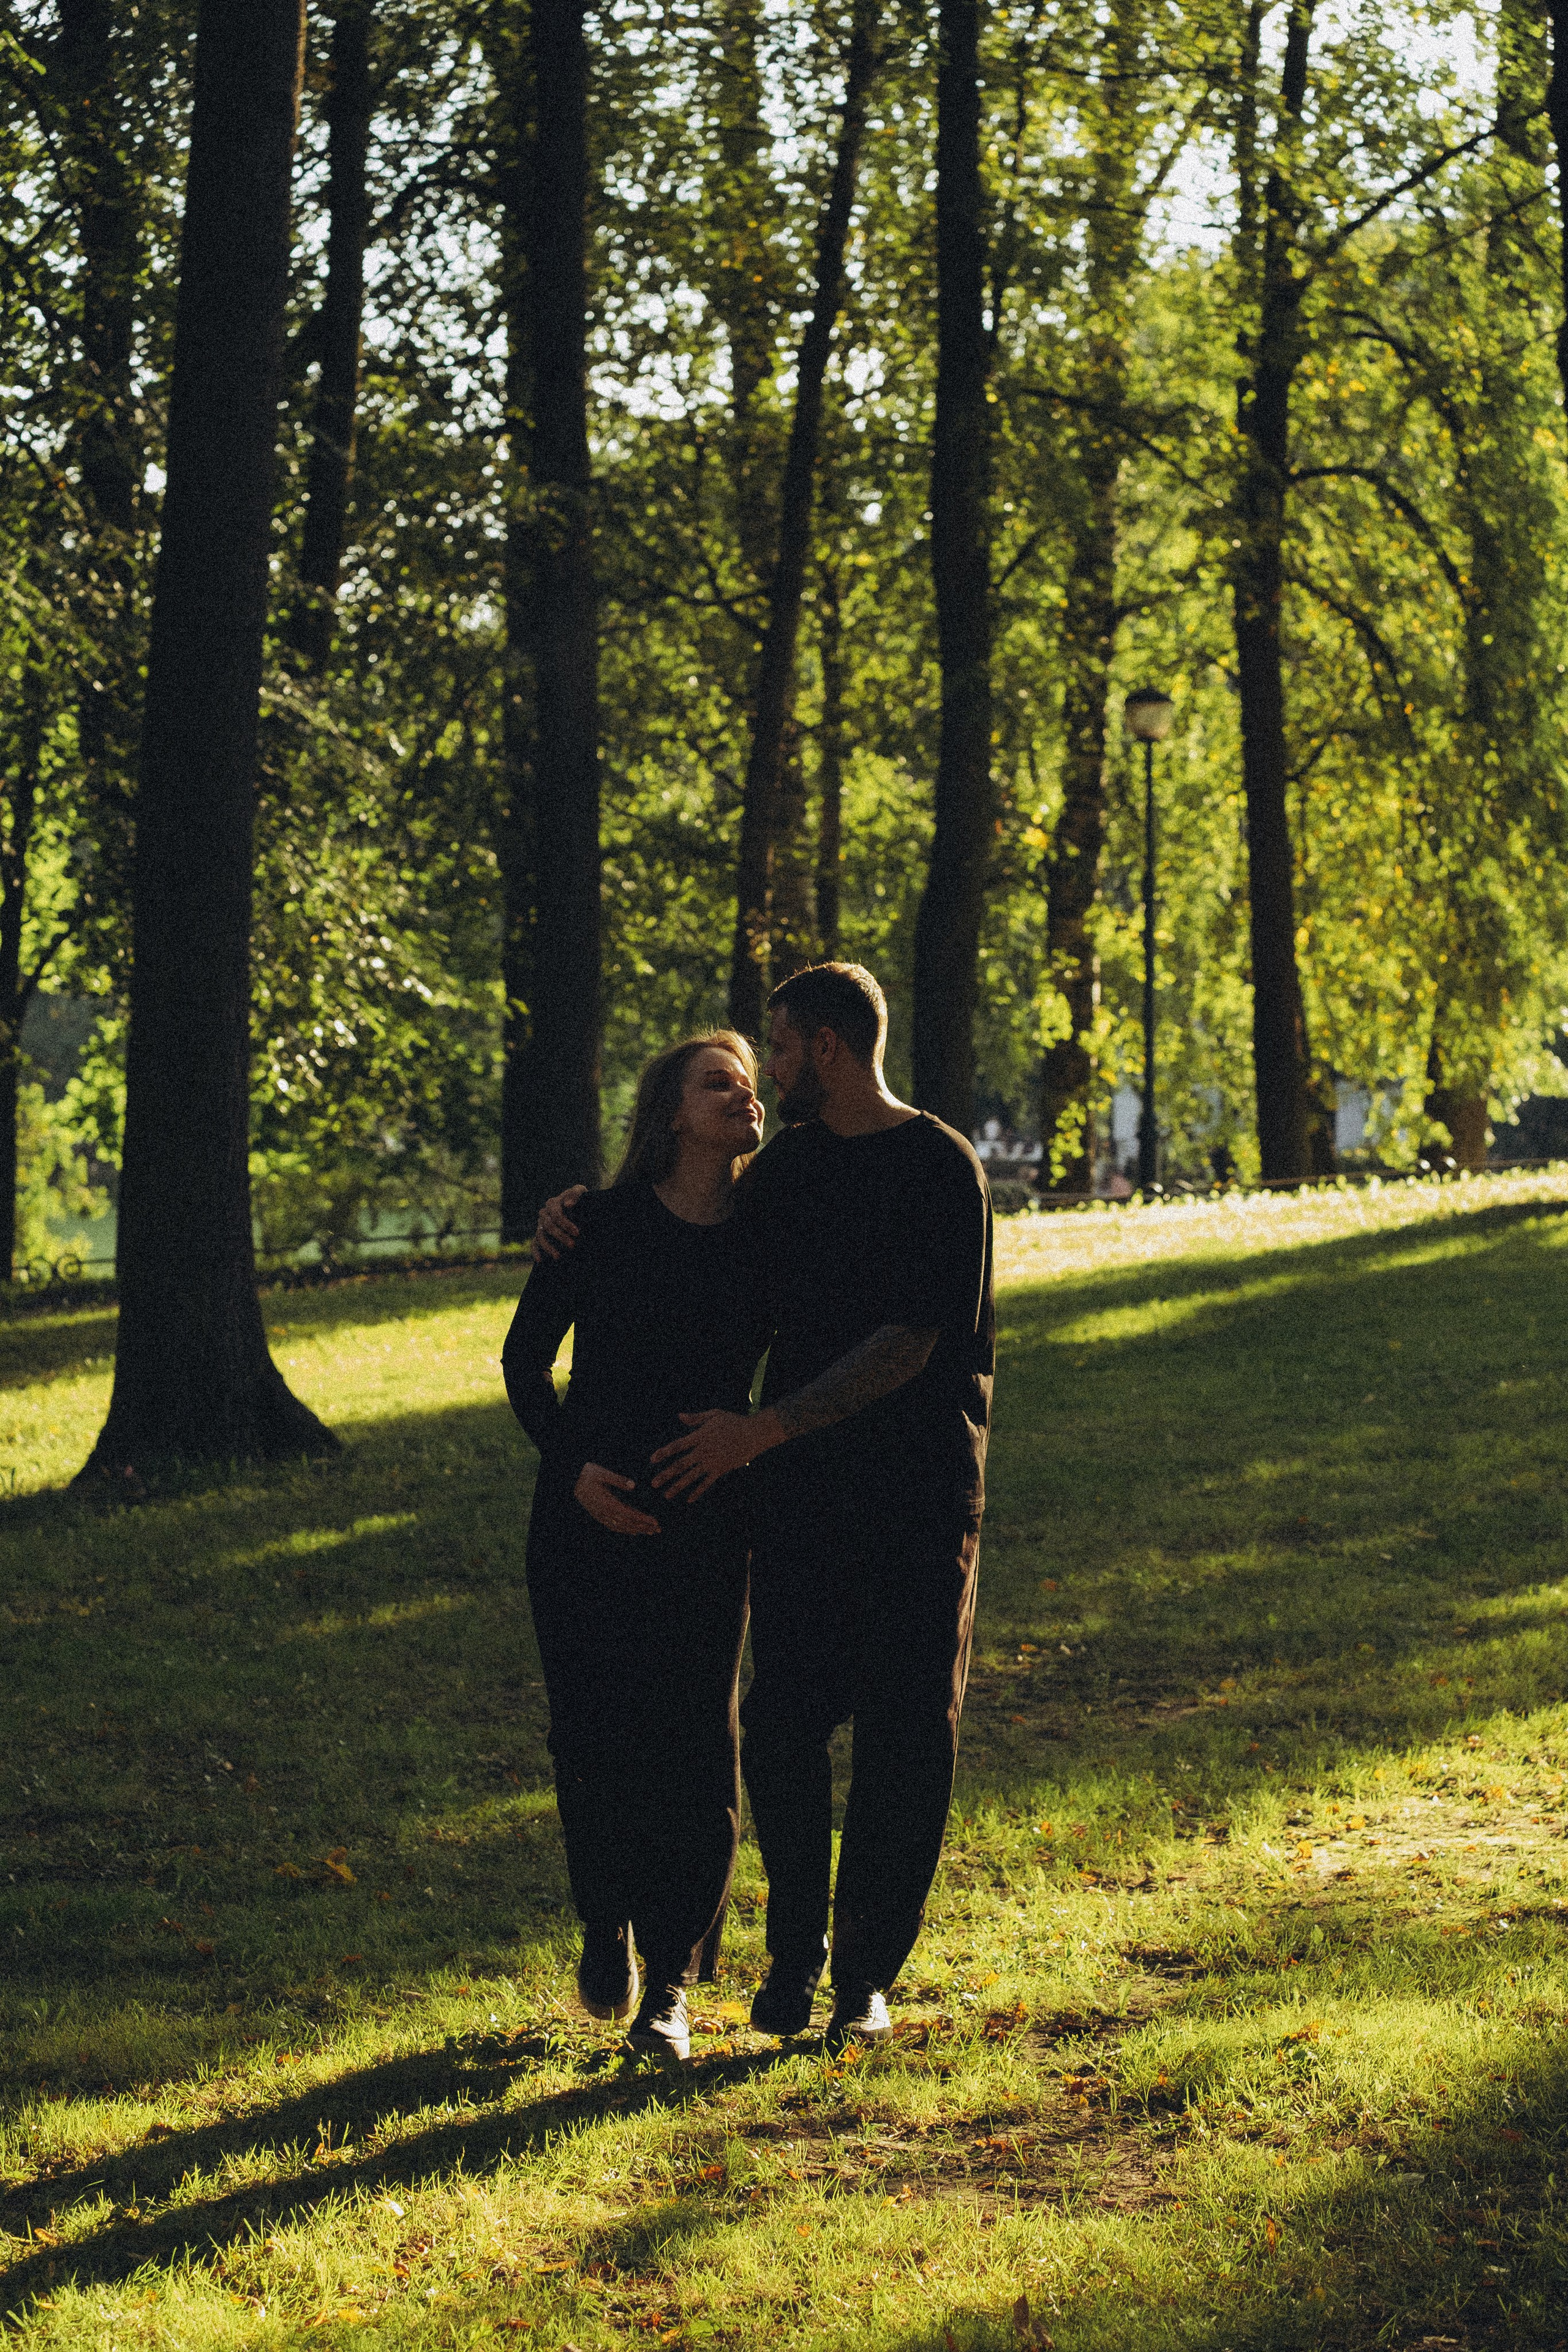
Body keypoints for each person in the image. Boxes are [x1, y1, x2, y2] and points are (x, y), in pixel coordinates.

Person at [537, 963, 994, 2053]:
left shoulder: (941, 1167)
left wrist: (765, 1429)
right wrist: (578, 1218)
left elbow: (908, 1342)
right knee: (783, 1731)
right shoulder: (784, 1173)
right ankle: (796, 1958)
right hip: (799, 1509)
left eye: (779, 1050)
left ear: (827, 1047)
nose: (769, 1070)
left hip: (919, 1503)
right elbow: (685, 1236)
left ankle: (864, 1985)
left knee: (902, 1738)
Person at [501, 1032, 770, 2061]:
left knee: (698, 1744)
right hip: (581, 1518)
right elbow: (527, 1365)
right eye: (718, 1081)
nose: (743, 1093)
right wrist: (574, 1471)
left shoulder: (766, 1234)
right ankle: (602, 1919)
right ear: (668, 1114)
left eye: (751, 1080)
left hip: (707, 1521)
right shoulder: (596, 1227)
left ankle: (670, 1983)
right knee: (593, 1733)